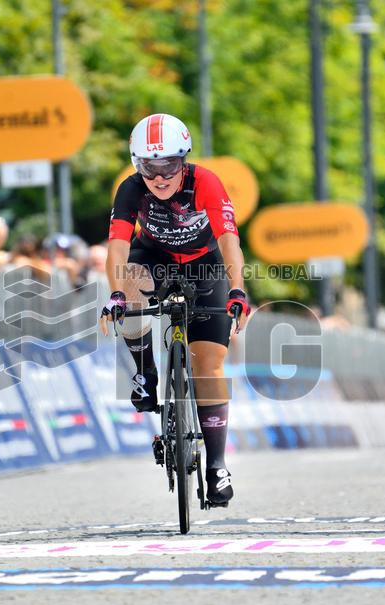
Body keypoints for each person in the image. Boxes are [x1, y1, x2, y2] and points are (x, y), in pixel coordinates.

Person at [98, 113, 249, 507]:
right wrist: (116, 295)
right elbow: (116, 245)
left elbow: (229, 240)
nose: (161, 177)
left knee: (209, 365)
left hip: (205, 265)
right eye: (150, 166)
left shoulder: (206, 183)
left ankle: (216, 466)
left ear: (184, 161)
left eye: (169, 165)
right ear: (137, 165)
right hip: (154, 259)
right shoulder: (131, 189)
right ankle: (145, 373)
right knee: (128, 279)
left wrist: (237, 290)